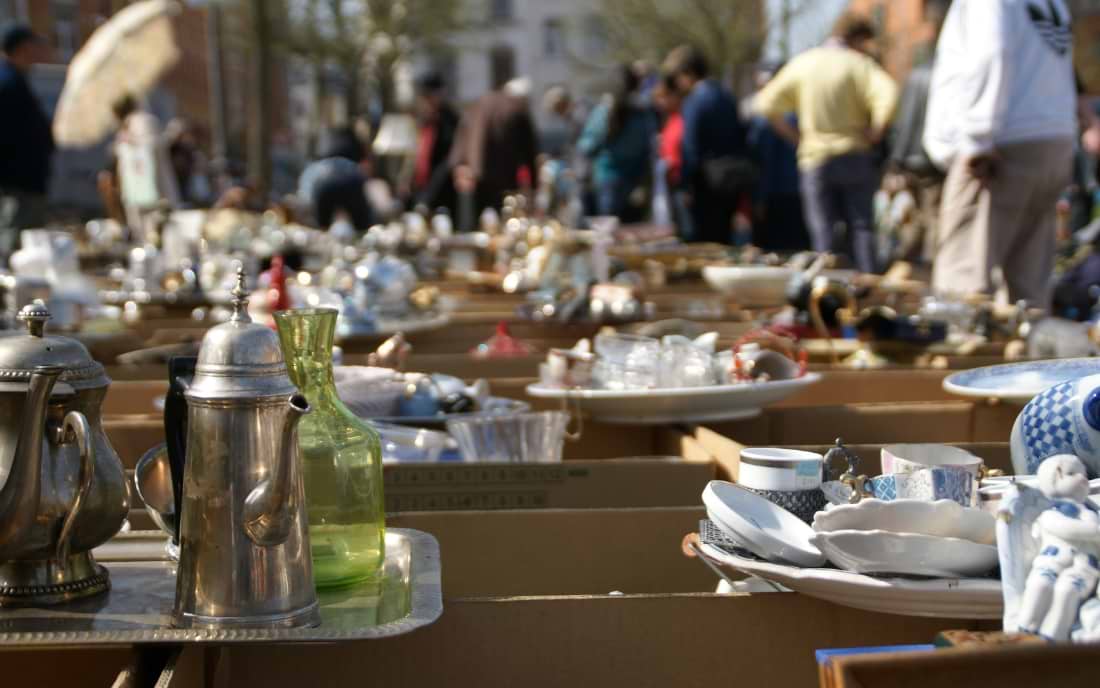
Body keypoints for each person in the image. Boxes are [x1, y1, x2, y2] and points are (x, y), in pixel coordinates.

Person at [924, 0, 1077, 307]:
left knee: (963, 281)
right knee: (1029, 285)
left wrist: (978, 138)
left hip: (1001, 142)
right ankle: (1031, 349)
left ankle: (964, 354)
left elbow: (993, 53)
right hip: (1050, 136)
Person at [754, 14, 899, 272]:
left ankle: (827, 292)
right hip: (855, 154)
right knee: (862, 227)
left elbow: (765, 103)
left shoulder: (805, 63)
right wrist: (876, 130)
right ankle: (867, 288)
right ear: (858, 39)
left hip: (816, 158)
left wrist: (796, 137)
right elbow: (888, 93)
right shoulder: (859, 64)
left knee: (823, 232)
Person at [663, 45, 749, 244]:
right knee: (724, 240)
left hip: (706, 184)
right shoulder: (726, 96)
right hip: (732, 180)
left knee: (704, 242)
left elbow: (690, 148)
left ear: (688, 73)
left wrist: (685, 185)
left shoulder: (695, 101)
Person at [887, 0, 950, 264]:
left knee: (915, 219)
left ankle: (905, 263)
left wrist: (896, 162)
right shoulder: (948, 75)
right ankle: (931, 266)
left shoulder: (915, 75)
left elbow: (905, 122)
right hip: (936, 160)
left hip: (913, 159)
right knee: (935, 216)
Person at [450, 77, 539, 217]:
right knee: (504, 221)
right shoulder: (517, 108)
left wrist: (459, 164)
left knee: (477, 223)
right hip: (504, 180)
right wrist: (534, 187)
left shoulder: (480, 103)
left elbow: (462, 132)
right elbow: (530, 151)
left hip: (475, 174)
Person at [577, 64, 655, 222]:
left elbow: (587, 147)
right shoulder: (644, 113)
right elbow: (648, 147)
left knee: (608, 232)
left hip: (608, 181)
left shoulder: (604, 112)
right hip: (636, 182)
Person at [0, 23, 52, 251]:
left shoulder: (16, 80)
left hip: (25, 179)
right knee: (16, 238)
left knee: (24, 238)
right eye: (33, 47)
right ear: (22, 49)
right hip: (17, 180)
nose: (37, 53)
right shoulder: (7, 83)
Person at [746, 62, 809, 252]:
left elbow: (763, 163)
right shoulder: (801, 112)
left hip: (775, 197)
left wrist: (758, 199)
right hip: (801, 193)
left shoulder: (765, 116)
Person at [111, 94, 181, 233]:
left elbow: (154, 145)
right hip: (136, 185)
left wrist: (134, 142)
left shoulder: (142, 121)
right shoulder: (126, 127)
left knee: (159, 221)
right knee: (143, 224)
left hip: (153, 184)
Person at [297, 127, 374, 231]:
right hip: (351, 181)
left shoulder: (315, 168)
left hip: (323, 186)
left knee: (322, 229)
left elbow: (305, 197)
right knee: (362, 229)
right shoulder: (352, 166)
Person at [410, 71, 460, 214]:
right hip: (421, 189)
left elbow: (448, 160)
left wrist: (428, 196)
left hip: (441, 192)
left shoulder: (449, 120)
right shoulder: (424, 120)